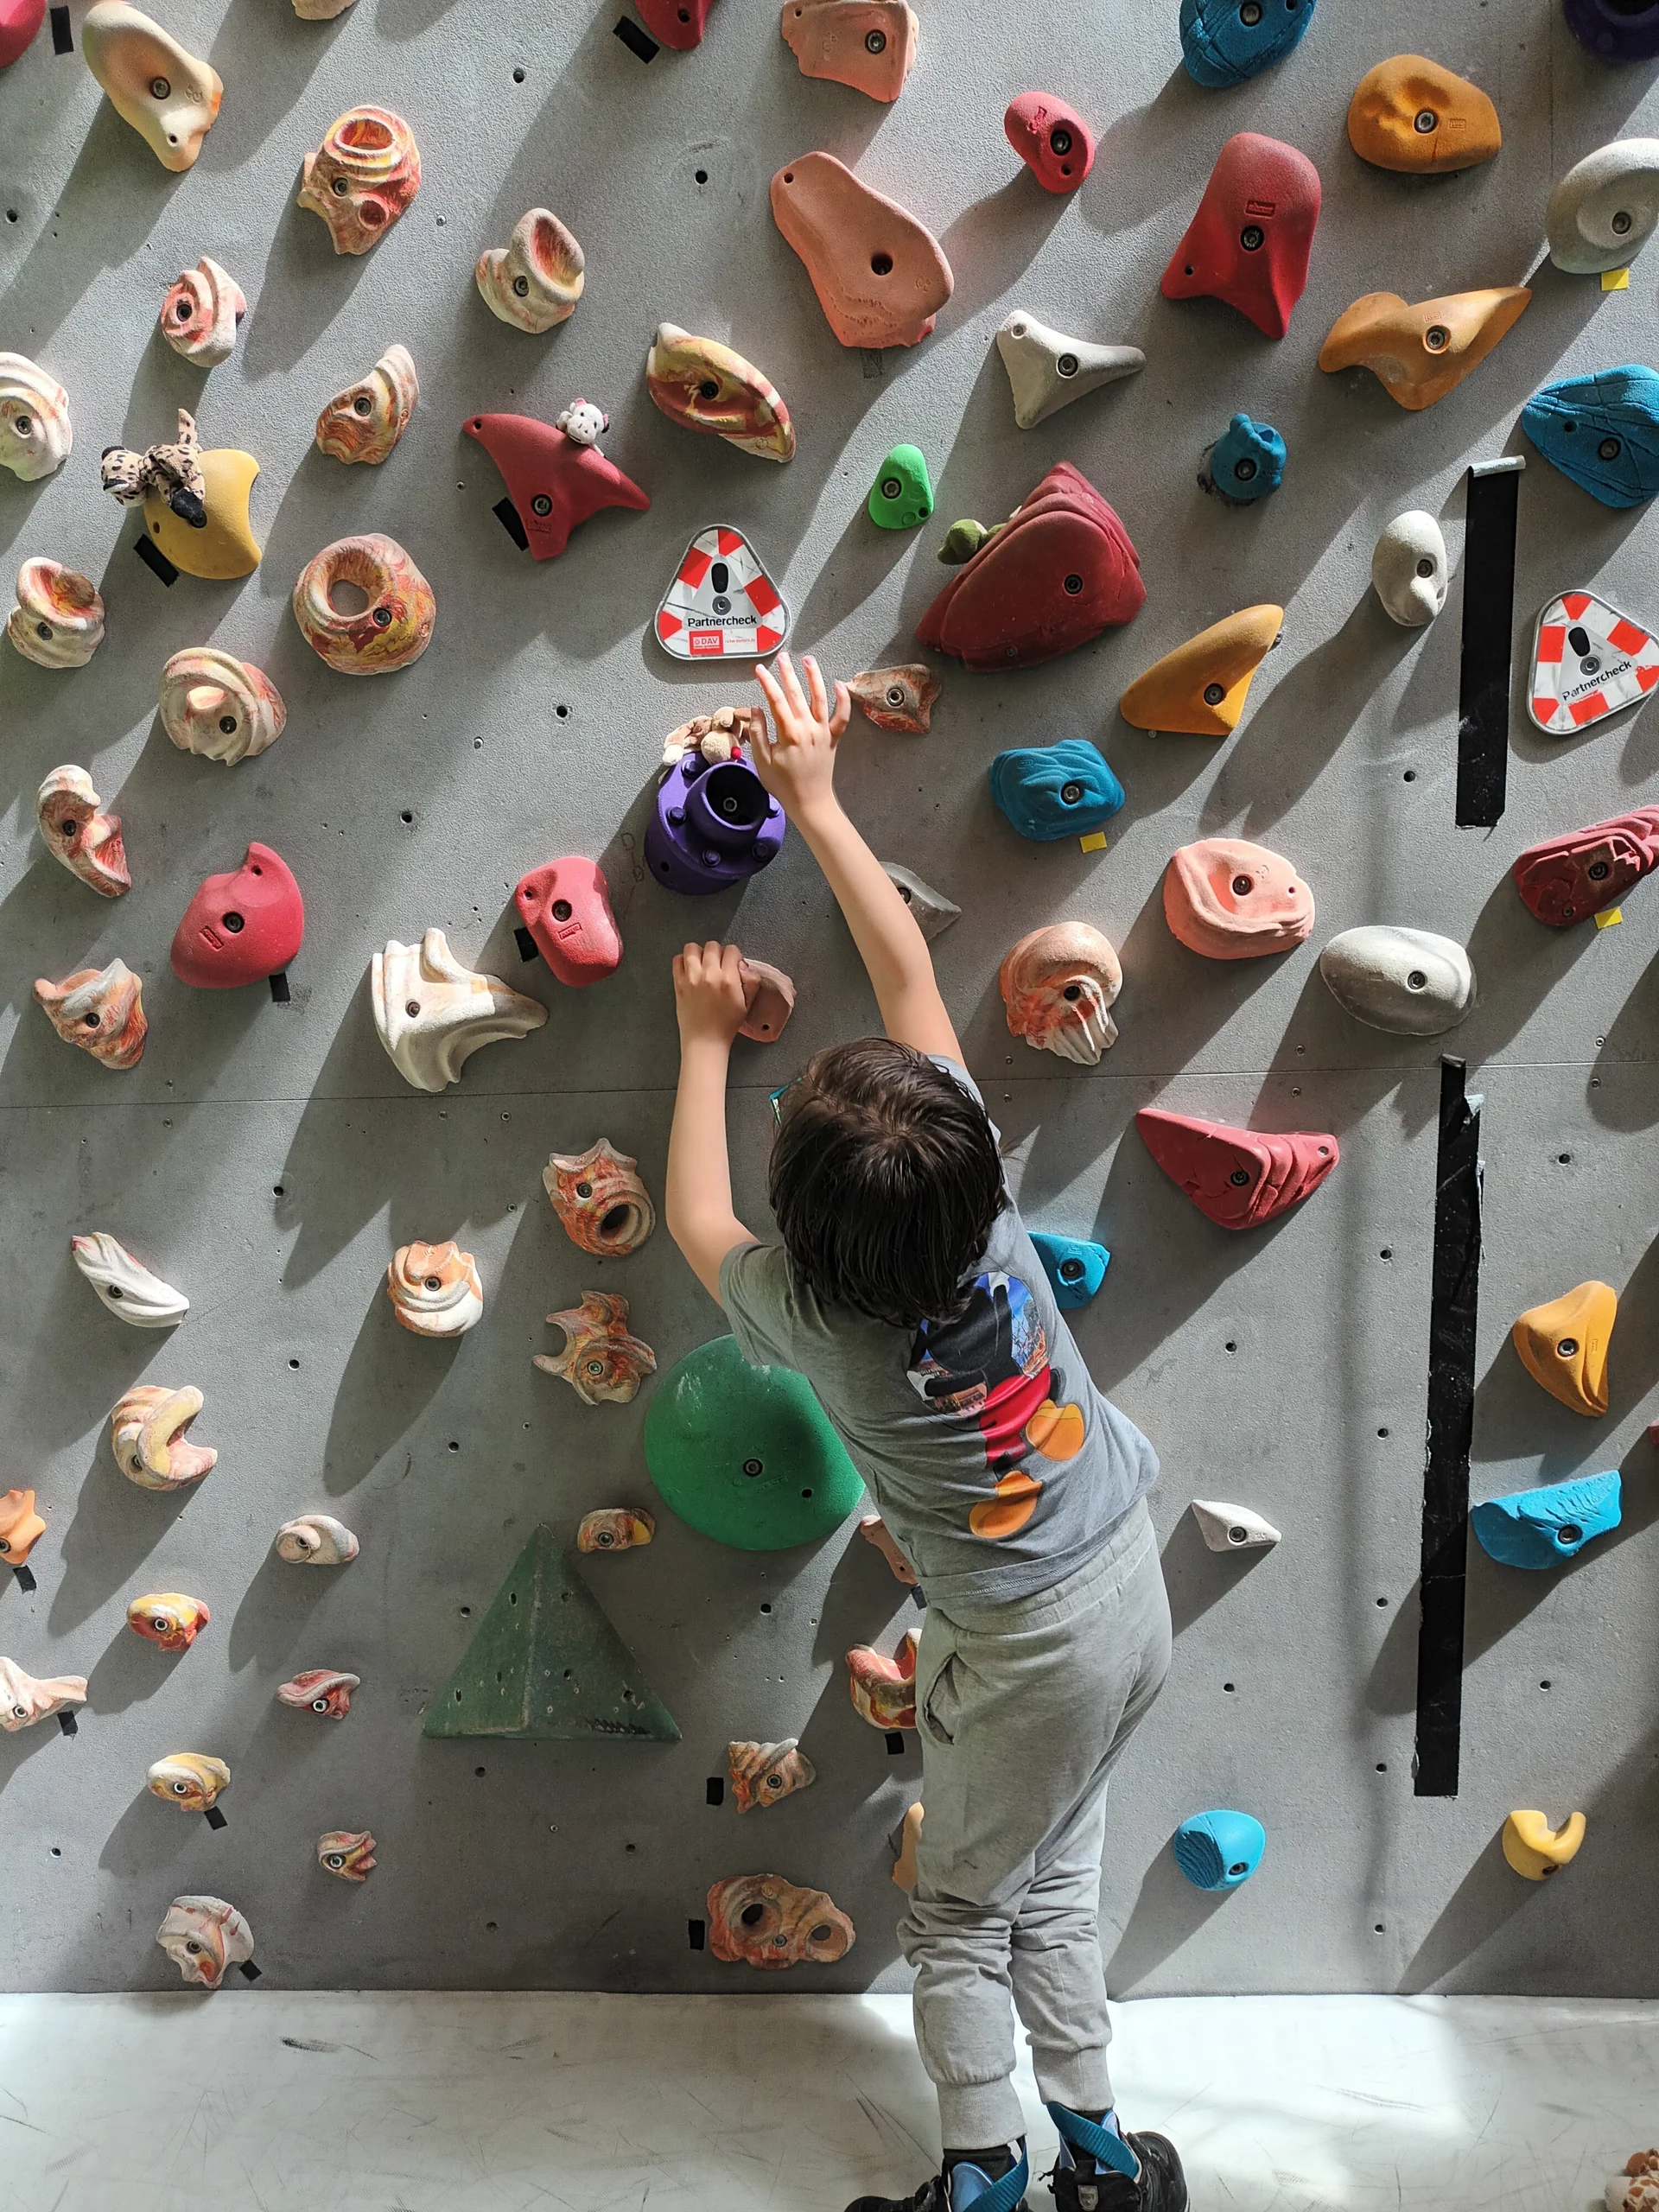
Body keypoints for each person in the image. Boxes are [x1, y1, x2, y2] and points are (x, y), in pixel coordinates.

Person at [664, 652, 1183, 2212]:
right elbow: (910, 986)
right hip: (1127, 1593)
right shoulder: (995, 1221)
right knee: (1062, 1875)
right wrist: (822, 801)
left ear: (799, 1231)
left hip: (1019, 1649)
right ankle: (1101, 2151)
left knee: (962, 1915)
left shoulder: (809, 1318)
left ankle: (981, 2176)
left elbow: (692, 1211)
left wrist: (700, 1040)